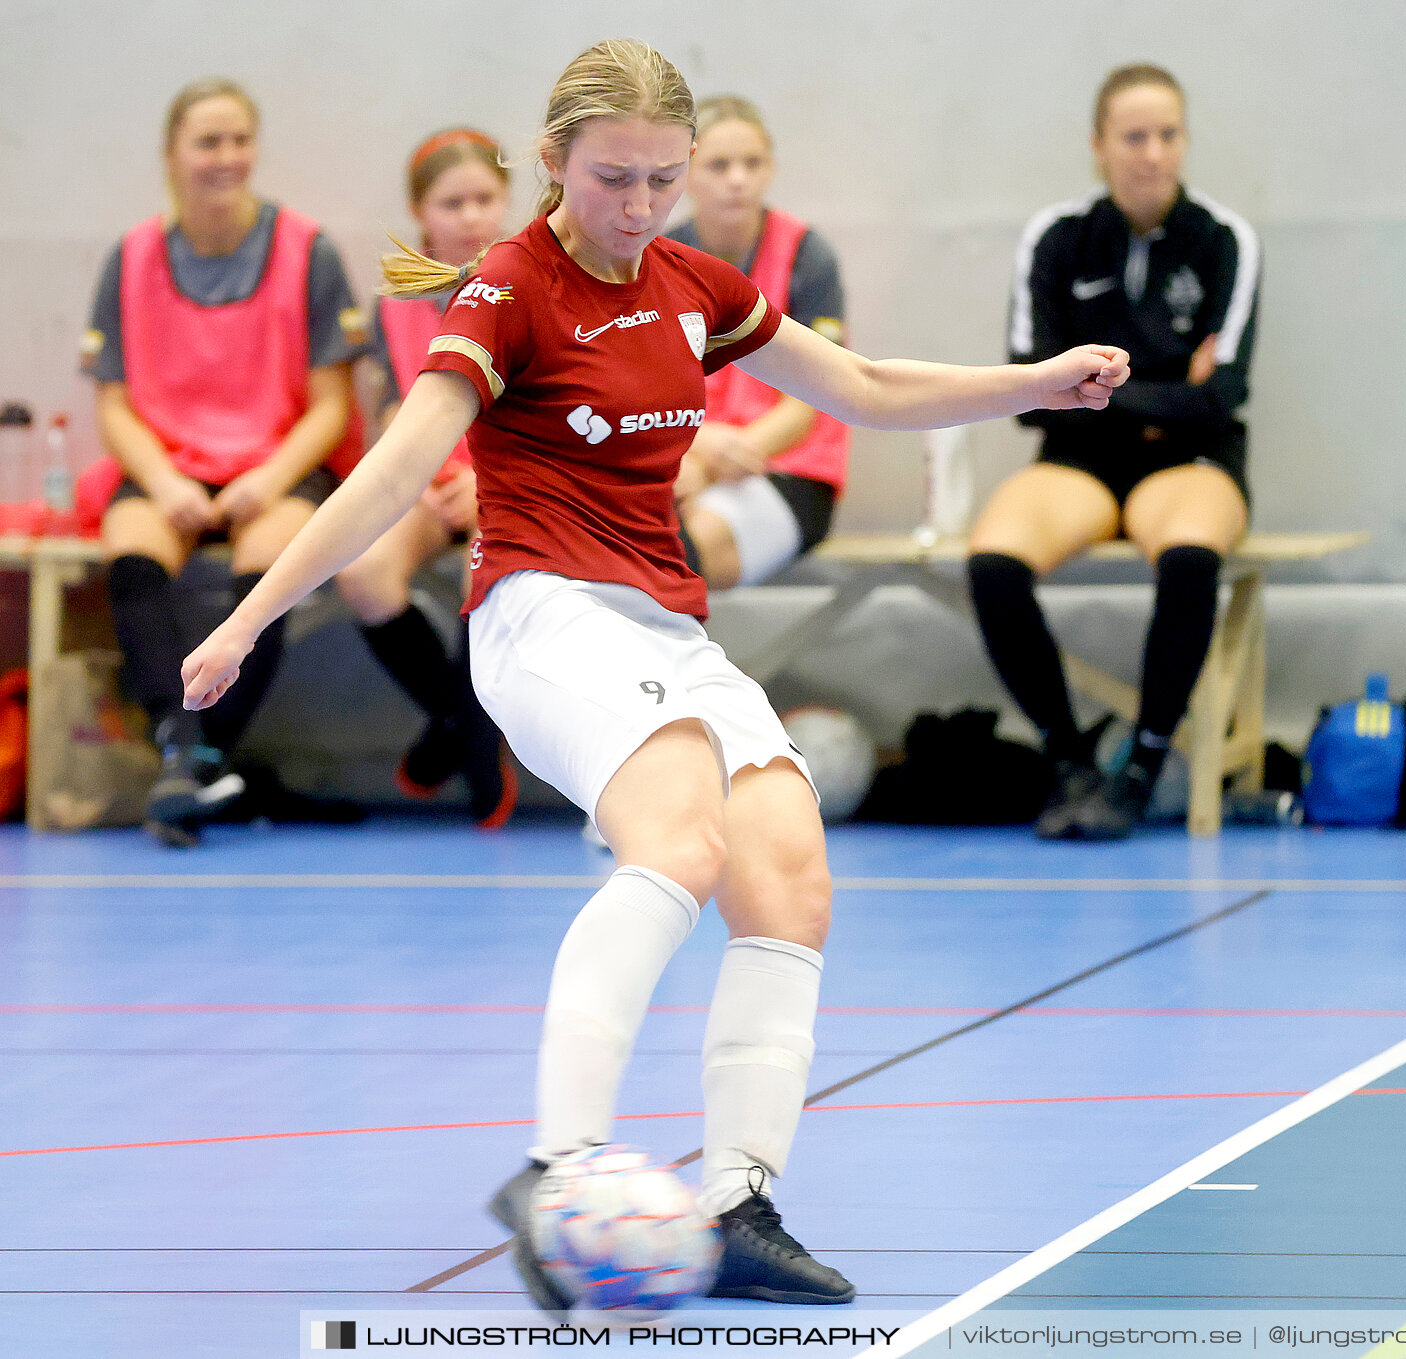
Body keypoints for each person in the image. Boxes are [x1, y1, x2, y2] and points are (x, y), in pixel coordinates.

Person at [179, 39, 1127, 1308]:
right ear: (554, 163)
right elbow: (394, 473)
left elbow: (858, 384)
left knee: (786, 868)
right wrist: (248, 620)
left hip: (664, 625)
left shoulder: (692, 283)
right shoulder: (504, 291)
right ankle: (557, 1167)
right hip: (538, 612)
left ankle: (737, 1200)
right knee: (678, 835)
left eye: (661, 181)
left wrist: (1039, 384)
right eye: (613, 179)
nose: (638, 207)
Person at [969, 62, 1260, 841]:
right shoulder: (1057, 239)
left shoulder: (1224, 241)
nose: (1152, 153)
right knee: (993, 562)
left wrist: (1092, 386)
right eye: (1134, 136)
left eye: (1168, 135)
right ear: (1100, 146)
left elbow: (1222, 396)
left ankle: (1144, 766)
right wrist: (1166, 393)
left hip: (1191, 461)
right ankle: (1069, 758)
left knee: (1192, 555)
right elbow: (1029, 391)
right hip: (1081, 464)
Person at [79, 78, 365, 848]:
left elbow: (331, 405)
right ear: (172, 156)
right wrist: (168, 481)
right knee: (133, 557)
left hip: (275, 462)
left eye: (241, 139)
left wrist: (265, 480)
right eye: (209, 142)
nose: (227, 157)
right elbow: (113, 404)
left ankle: (194, 755)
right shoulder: (133, 256)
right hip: (170, 462)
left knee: (274, 564)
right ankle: (189, 750)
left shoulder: (309, 250)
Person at [336, 128, 517, 827]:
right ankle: (457, 717)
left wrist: (481, 477)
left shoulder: (530, 280)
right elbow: (389, 413)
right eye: (452, 202)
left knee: (487, 572)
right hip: (425, 480)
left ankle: (471, 742)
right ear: (422, 212)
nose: (471, 215)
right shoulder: (393, 302)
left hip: (504, 478)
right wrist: (425, 478)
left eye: (484, 199)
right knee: (363, 573)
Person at [664, 96, 849, 589]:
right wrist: (698, 451)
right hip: (683, 458)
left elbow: (806, 404)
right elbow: (643, 391)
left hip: (784, 467)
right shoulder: (656, 258)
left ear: (771, 168)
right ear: (683, 171)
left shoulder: (807, 256)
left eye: (753, 163)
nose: (738, 179)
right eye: (719, 165)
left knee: (672, 552)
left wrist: (716, 461)